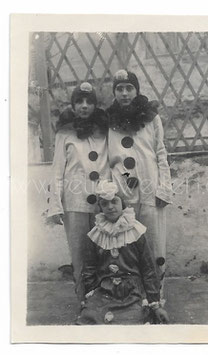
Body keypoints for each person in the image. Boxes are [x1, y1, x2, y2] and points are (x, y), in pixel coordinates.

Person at [106, 69, 172, 285]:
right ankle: (134, 299)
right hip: (122, 187)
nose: (124, 93)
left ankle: (157, 296)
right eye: (120, 89)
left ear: (136, 90)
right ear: (114, 92)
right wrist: (122, 177)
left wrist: (164, 188)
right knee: (127, 244)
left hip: (150, 186)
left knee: (153, 242)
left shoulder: (151, 118)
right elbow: (111, 158)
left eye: (129, 88)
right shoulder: (109, 121)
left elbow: (160, 153)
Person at [47, 82, 110, 298]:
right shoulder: (64, 134)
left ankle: (104, 301)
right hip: (75, 202)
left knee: (104, 252)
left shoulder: (104, 131)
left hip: (103, 202)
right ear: (73, 106)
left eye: (89, 102)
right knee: (80, 255)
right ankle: (84, 301)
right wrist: (55, 205)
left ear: (95, 105)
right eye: (79, 102)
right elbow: (57, 170)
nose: (84, 106)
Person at [76, 180, 169, 325]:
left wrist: (154, 303)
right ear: (100, 207)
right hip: (104, 290)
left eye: (114, 201)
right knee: (91, 318)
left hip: (132, 290)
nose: (110, 207)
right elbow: (89, 269)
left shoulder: (136, 231)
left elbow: (148, 269)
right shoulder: (95, 235)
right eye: (104, 204)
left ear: (122, 204)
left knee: (133, 320)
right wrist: (91, 294)